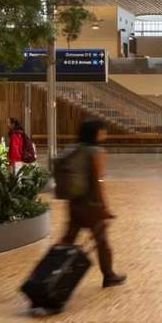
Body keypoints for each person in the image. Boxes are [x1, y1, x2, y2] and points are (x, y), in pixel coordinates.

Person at [56, 118, 126, 289]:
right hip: (90, 205)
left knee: (68, 238)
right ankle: (109, 276)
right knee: (102, 241)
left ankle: (50, 271)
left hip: (74, 202)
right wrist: (104, 207)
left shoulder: (73, 149)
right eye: (103, 130)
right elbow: (97, 181)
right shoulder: (96, 151)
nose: (105, 133)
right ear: (96, 132)